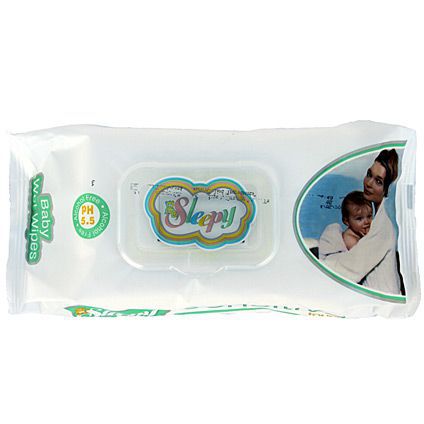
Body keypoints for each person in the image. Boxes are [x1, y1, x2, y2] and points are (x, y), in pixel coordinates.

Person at [322, 149, 401, 294]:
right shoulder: (377, 218)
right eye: (369, 174)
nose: (369, 183)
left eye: (378, 181)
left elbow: (351, 268)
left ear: (386, 189)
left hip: (383, 300)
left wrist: (320, 263)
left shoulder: (383, 226)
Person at [319, 191, 373, 259]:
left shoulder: (362, 232)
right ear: (346, 221)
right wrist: (368, 239)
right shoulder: (350, 238)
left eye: (369, 216)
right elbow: (363, 256)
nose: (367, 222)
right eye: (359, 218)